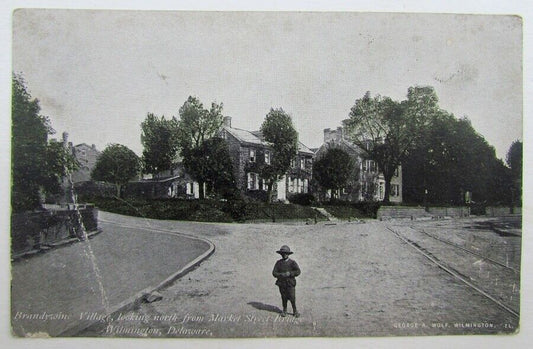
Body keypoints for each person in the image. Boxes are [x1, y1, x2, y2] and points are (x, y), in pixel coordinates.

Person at [272, 245, 301, 317]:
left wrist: (290, 273)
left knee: (292, 297)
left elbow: (298, 271)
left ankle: (295, 311)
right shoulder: (278, 263)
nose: (284, 255)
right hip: (282, 284)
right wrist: (281, 275)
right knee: (283, 297)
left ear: (288, 254)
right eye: (283, 253)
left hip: (290, 283)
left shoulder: (292, 262)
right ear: (281, 254)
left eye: (286, 253)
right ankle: (284, 310)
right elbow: (274, 273)